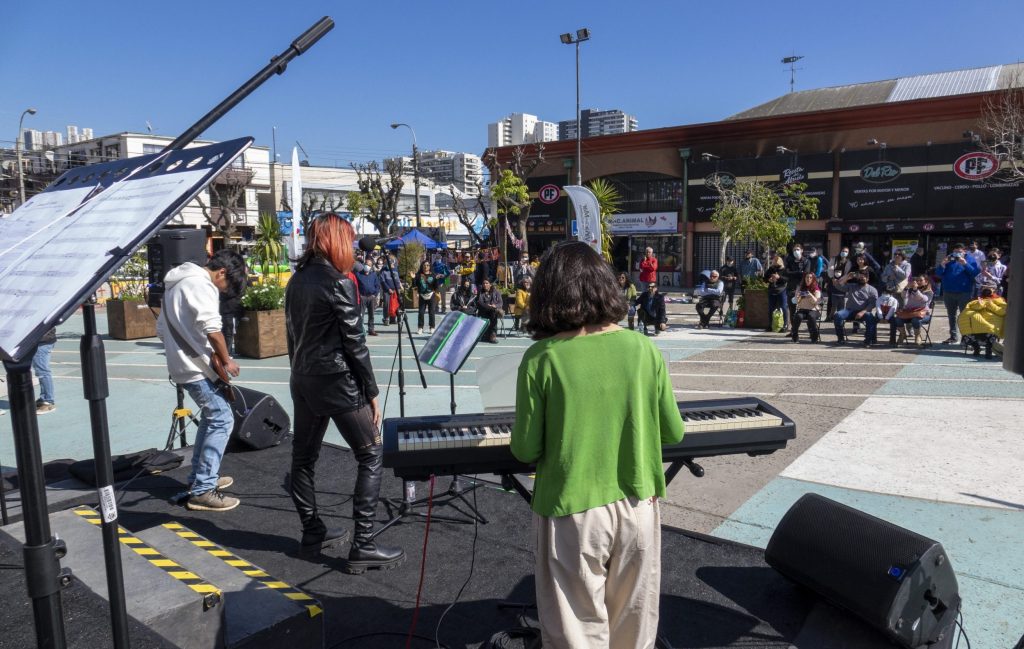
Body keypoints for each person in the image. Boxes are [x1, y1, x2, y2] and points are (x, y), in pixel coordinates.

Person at [510, 241, 684, 649]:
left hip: (572, 510)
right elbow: (674, 433)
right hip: (638, 504)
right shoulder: (643, 349)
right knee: (634, 625)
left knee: (576, 630)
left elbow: (525, 449)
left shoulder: (541, 358)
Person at [284, 213, 404, 570]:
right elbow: (355, 344)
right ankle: (363, 543)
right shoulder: (339, 282)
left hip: (303, 377)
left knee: (303, 458)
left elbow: (293, 337)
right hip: (336, 380)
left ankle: (312, 530)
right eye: (349, 239)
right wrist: (371, 392)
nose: (352, 246)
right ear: (336, 240)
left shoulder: (297, 279)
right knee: (370, 454)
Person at [156, 250, 247, 512]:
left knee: (211, 417)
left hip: (182, 366)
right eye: (227, 286)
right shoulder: (201, 284)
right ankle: (204, 488)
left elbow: (161, 330)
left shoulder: (175, 284)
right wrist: (227, 360)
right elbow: (213, 329)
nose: (223, 291)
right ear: (222, 273)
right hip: (197, 368)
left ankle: (200, 477)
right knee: (222, 419)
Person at [933, 242, 980, 344]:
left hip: (964, 292)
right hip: (948, 291)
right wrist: (942, 264)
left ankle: (966, 337)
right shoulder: (949, 259)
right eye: (955, 251)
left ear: (964, 251)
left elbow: (975, 273)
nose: (957, 254)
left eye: (959, 251)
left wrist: (965, 264)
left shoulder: (970, 259)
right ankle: (953, 337)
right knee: (951, 315)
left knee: (965, 316)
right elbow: (938, 274)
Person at [958, 285, 1007, 358]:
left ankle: (988, 351)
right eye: (984, 287)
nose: (987, 289)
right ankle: (976, 348)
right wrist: (980, 304)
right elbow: (968, 309)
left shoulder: (1000, 300)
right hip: (976, 323)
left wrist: (990, 304)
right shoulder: (976, 300)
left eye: (989, 287)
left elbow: (1002, 312)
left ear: (994, 290)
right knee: (967, 332)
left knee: (990, 330)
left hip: (991, 324)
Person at [833, 271, 879, 346]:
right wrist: (847, 278)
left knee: (871, 318)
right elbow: (838, 286)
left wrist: (862, 312)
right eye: (860, 277)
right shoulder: (852, 286)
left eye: (863, 277)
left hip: (864, 312)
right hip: (849, 311)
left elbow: (873, 303)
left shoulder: (872, 290)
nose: (861, 278)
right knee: (837, 315)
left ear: (867, 279)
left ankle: (868, 341)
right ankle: (840, 339)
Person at [896, 275, 933, 348]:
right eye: (917, 280)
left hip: (923, 314)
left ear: (926, 282)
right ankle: (903, 335)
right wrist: (906, 287)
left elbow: (923, 299)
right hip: (909, 313)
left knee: (915, 320)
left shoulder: (929, 292)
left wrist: (916, 290)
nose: (918, 282)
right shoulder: (910, 290)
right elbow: (903, 296)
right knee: (898, 319)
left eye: (921, 280)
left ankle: (917, 336)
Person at [790, 272, 821, 343]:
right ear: (804, 278)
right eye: (807, 277)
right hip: (802, 309)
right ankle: (795, 336)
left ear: (813, 279)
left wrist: (810, 295)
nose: (808, 279)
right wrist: (798, 296)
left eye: (810, 278)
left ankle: (814, 336)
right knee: (798, 316)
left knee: (811, 316)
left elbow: (816, 302)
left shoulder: (816, 289)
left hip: (813, 310)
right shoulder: (800, 287)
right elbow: (796, 302)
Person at [32, 327, 57, 414]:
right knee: (41, 371)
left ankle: (48, 401)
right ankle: (44, 399)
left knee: (42, 372)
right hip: (42, 340)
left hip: (42, 341)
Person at [355, 257, 381, 336]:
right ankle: (360, 330)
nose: (367, 266)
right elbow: (355, 286)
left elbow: (377, 285)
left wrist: (375, 294)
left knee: (371, 315)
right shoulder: (358, 274)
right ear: (364, 264)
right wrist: (359, 295)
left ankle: (371, 330)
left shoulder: (374, 274)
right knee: (361, 315)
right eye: (366, 264)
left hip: (371, 297)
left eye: (369, 264)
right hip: (362, 297)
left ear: (372, 265)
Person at [764, 255, 790, 332]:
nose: (776, 266)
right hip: (772, 290)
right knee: (770, 308)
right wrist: (769, 279)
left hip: (781, 290)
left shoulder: (784, 270)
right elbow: (764, 278)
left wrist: (779, 277)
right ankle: (770, 325)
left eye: (777, 265)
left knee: (783, 307)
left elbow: (787, 279)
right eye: (774, 264)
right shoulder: (771, 269)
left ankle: (785, 325)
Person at [826, 246, 853, 318]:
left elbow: (847, 273)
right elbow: (830, 269)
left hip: (842, 283)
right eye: (843, 251)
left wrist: (841, 281)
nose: (844, 253)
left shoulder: (848, 262)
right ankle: (829, 317)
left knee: (841, 300)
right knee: (831, 300)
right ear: (840, 251)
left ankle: (840, 316)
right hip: (832, 282)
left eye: (846, 252)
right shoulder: (834, 259)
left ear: (848, 253)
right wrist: (833, 279)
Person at [477, 278, 504, 343]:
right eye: (483, 283)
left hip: (493, 311)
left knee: (493, 314)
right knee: (487, 314)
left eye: (487, 283)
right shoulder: (480, 292)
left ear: (490, 284)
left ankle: (493, 334)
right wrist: (488, 307)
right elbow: (480, 303)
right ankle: (485, 335)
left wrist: (495, 306)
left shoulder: (496, 292)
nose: (485, 285)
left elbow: (500, 303)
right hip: (484, 310)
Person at [414, 261, 438, 335]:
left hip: (431, 295)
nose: (426, 266)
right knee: (421, 312)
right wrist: (413, 278)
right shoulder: (418, 275)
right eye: (424, 265)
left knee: (432, 312)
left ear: (430, 266)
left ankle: (432, 327)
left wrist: (436, 280)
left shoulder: (433, 275)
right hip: (422, 296)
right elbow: (414, 286)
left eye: (428, 265)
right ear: (422, 266)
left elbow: (436, 287)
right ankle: (420, 328)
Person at [378, 255, 402, 327]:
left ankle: (393, 318)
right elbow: (382, 281)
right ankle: (386, 319)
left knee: (395, 305)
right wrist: (388, 289)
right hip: (387, 291)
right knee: (386, 305)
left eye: (392, 263)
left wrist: (398, 288)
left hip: (395, 290)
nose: (392, 265)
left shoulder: (395, 270)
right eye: (390, 264)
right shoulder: (383, 270)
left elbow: (397, 280)